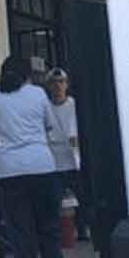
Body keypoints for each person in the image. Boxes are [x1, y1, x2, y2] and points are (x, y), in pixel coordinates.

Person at [0, 54, 66, 258]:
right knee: (48, 227)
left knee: (21, 234)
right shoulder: (38, 94)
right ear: (27, 74)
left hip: (9, 171)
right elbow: (50, 125)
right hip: (41, 166)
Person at [44, 67, 87, 241]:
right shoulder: (45, 107)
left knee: (82, 197)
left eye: (61, 82)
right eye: (53, 83)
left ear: (67, 84)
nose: (58, 86)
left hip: (74, 158)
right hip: (54, 161)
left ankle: (83, 229)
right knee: (54, 200)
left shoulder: (74, 105)